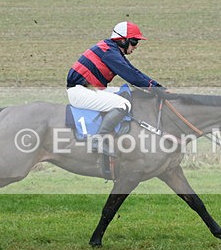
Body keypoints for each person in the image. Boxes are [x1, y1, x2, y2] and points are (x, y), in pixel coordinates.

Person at [66, 21, 164, 154]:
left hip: (88, 89)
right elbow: (131, 76)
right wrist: (156, 89)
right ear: (123, 40)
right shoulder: (109, 52)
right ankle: (98, 139)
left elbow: (133, 71)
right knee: (123, 104)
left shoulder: (111, 49)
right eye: (134, 41)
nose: (136, 46)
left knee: (125, 93)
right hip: (80, 92)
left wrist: (156, 87)